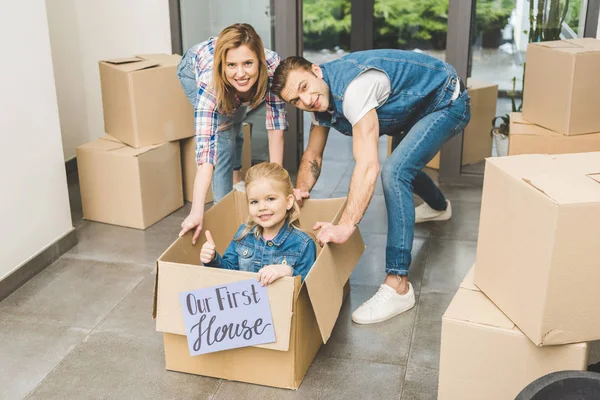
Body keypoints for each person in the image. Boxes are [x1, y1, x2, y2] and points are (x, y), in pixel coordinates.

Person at [271, 50, 471, 324]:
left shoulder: (354, 89)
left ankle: (398, 284)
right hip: (415, 106)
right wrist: (300, 190)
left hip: (447, 101)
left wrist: (346, 225)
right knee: (403, 164)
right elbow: (312, 156)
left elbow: (367, 166)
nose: (306, 101)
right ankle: (440, 207)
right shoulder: (321, 98)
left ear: (316, 71)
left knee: (395, 170)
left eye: (304, 88)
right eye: (296, 100)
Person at [177, 23, 288, 245]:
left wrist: (278, 189)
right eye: (232, 65)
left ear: (259, 60)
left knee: (236, 121)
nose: (240, 73)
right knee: (225, 136)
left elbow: (276, 126)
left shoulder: (274, 66)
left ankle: (237, 178)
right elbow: (206, 156)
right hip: (192, 68)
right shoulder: (210, 87)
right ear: (223, 65)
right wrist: (197, 211)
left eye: (248, 63)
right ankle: (224, 210)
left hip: (228, 84)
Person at [200, 162, 317, 286]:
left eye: (270, 199)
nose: (262, 207)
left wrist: (288, 271)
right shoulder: (243, 234)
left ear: (288, 202)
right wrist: (212, 259)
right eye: (254, 201)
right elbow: (229, 273)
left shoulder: (303, 244)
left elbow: (309, 291)